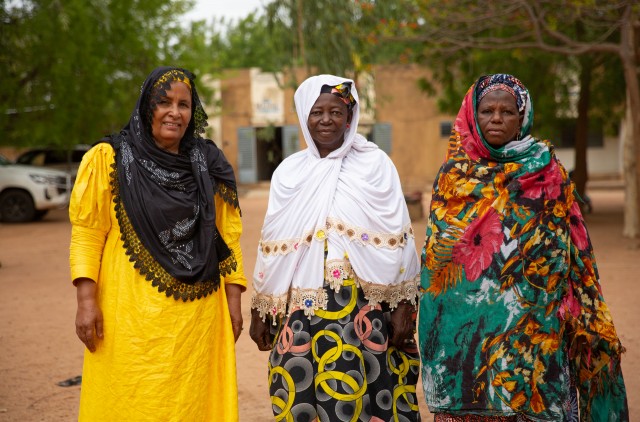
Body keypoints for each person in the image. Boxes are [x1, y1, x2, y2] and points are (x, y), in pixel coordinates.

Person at [418, 74, 628, 421]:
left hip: (535, 333)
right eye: (487, 110)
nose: (497, 118)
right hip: (464, 343)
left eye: (507, 111)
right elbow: (437, 261)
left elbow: (575, 250)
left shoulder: (547, 171)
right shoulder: (453, 176)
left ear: (522, 118)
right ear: (474, 115)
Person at [69, 66, 246, 420]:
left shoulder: (208, 163)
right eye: (164, 102)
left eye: (184, 104)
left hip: (198, 319)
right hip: (129, 317)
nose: (175, 112)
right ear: (146, 106)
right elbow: (88, 232)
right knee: (131, 398)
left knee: (191, 400)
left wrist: (235, 298)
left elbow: (227, 235)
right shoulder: (107, 159)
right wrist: (86, 301)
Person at [249, 74, 422, 421]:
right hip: (303, 310)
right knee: (302, 394)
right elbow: (272, 248)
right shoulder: (289, 173)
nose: (326, 120)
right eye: (316, 112)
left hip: (366, 309)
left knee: (372, 393)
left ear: (350, 117)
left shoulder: (376, 166)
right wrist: (260, 310)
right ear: (303, 115)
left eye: (336, 112)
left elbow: (401, 239)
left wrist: (404, 304)